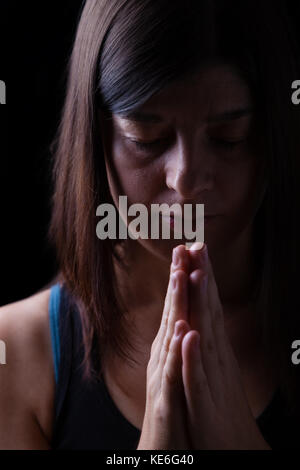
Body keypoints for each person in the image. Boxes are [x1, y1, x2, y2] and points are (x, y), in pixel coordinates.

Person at [1, 0, 300, 450]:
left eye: (228, 140)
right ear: (95, 136)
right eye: (149, 139)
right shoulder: (15, 356)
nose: (186, 179)